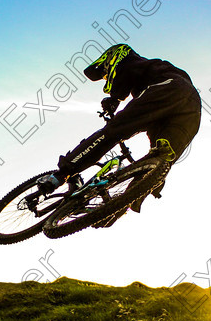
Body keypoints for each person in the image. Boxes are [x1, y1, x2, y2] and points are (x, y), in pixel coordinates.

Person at [37, 44, 202, 223]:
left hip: (170, 88)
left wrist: (114, 99)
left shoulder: (130, 60)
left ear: (111, 59)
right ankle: (118, 207)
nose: (106, 77)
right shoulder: (156, 73)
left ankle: (62, 174)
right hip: (191, 109)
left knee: (113, 132)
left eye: (105, 73)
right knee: (161, 157)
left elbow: (126, 72)